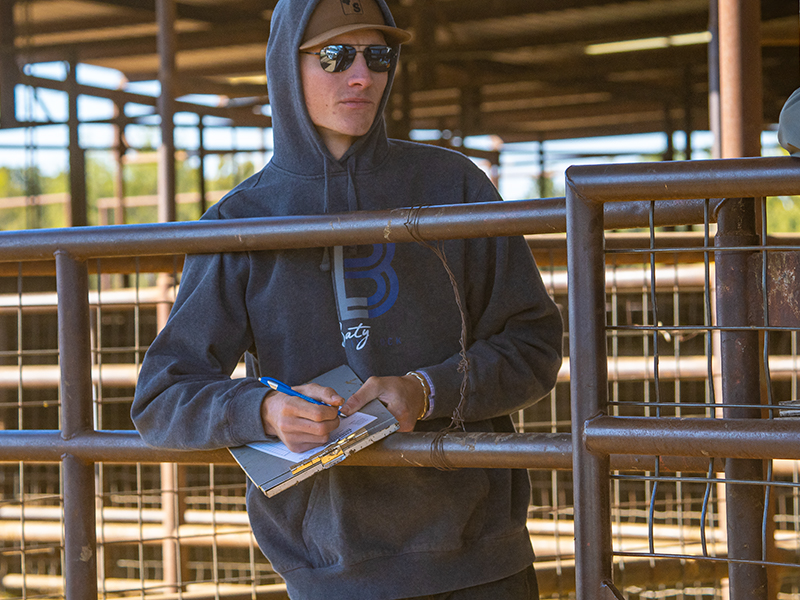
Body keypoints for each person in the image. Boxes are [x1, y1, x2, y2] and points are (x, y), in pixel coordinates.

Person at [131, 0, 563, 598]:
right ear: (288, 66)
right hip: (332, 569)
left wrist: (426, 388)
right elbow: (163, 396)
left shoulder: (455, 187)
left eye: (378, 56)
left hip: (481, 557)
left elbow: (533, 343)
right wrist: (266, 410)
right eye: (335, 56)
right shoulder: (241, 220)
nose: (362, 75)